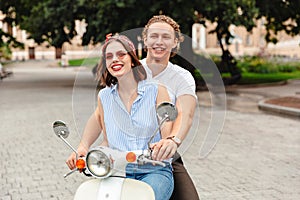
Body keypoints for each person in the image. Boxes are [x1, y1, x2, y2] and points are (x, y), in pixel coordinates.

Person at [67, 15, 199, 199]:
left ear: (175, 42)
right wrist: (84, 146)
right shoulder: (123, 72)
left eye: (166, 37)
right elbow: (100, 115)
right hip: (122, 162)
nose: (159, 41)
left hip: (160, 151)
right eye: (154, 36)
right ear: (144, 40)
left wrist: (171, 140)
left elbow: (185, 114)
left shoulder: (181, 77)